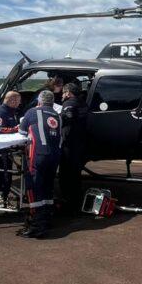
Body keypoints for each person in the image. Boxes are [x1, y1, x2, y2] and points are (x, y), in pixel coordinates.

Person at [17, 90, 62, 238]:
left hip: (38, 154)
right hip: (55, 156)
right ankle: (47, 217)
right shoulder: (57, 116)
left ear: (39, 101)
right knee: (48, 185)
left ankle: (37, 225)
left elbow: (22, 133)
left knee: (34, 186)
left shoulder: (32, 112)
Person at [0, 91, 21, 206]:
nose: (19, 103)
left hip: (6, 151)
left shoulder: (10, 112)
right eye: (18, 101)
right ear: (12, 100)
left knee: (6, 178)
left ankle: (2, 200)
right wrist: (16, 129)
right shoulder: (1, 112)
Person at [58, 81, 88, 213]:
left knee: (66, 175)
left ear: (68, 93)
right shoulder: (83, 102)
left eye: (64, 92)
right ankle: (76, 201)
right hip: (80, 143)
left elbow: (67, 119)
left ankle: (68, 204)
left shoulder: (69, 103)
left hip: (69, 144)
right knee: (75, 174)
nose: (63, 95)